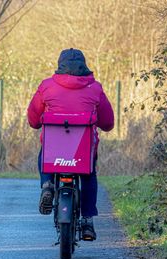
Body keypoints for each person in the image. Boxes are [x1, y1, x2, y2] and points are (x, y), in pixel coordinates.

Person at [27, 48, 114, 241]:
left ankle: (48, 185)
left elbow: (33, 119)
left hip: (54, 148)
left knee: (45, 156)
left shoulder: (47, 86)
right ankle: (88, 220)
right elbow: (108, 122)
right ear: (84, 66)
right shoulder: (95, 88)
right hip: (83, 150)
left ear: (60, 65)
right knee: (89, 175)